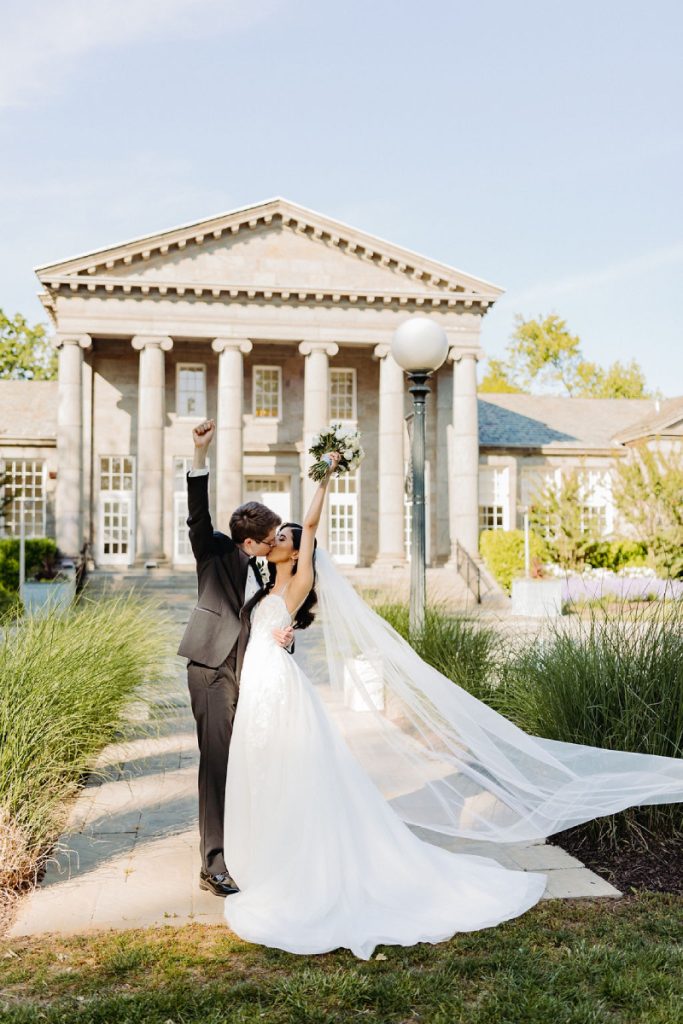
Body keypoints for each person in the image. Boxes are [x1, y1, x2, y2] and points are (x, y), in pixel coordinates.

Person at [222, 454, 550, 959]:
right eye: (274, 537)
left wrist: (326, 474)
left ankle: (302, 866)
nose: (278, 539)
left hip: (279, 685)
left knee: (294, 770)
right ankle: (269, 857)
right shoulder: (264, 577)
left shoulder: (298, 575)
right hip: (261, 677)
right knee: (263, 765)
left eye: (282, 537)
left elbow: (308, 523)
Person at [178, 419, 294, 898]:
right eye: (269, 541)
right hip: (210, 668)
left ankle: (244, 847)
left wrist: (285, 639)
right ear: (249, 543)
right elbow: (197, 517)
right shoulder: (216, 555)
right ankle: (214, 864)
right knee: (218, 762)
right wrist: (200, 456)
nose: (274, 545)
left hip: (250, 673)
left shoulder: (268, 575)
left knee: (245, 760)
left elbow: (272, 621)